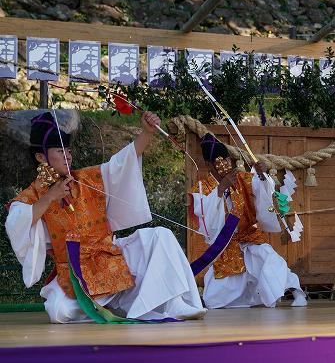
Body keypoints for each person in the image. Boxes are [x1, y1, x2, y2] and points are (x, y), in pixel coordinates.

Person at [5, 111, 206, 323]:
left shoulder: (86, 179)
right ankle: (114, 305)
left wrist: (146, 133)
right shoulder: (31, 196)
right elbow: (17, 220)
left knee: (160, 236)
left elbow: (121, 163)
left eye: (69, 150)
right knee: (59, 310)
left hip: (110, 256)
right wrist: (49, 197)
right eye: (59, 150)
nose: (68, 156)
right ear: (40, 157)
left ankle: (173, 302)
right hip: (73, 272)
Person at [188, 134, 306, 308]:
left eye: (226, 159)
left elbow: (262, 191)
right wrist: (221, 188)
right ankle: (247, 299)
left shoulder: (242, 178)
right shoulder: (201, 188)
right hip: (225, 245)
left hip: (249, 235)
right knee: (215, 299)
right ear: (208, 165)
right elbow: (205, 217)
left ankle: (296, 291)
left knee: (268, 258)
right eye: (217, 162)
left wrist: (262, 174)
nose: (223, 164)